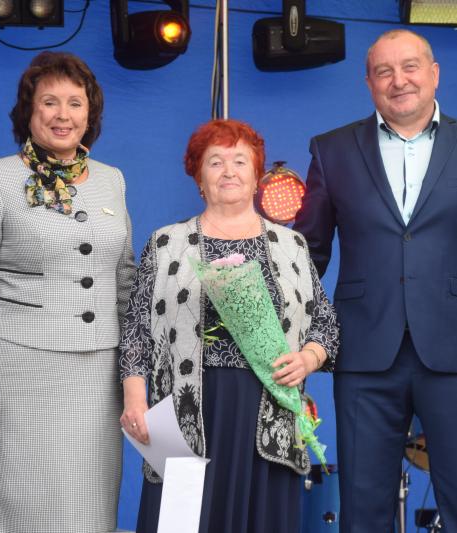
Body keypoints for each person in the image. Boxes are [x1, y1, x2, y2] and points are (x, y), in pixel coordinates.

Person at [293, 29, 457, 533]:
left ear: (434, 73)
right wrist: (289, 336)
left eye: (410, 67)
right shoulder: (331, 150)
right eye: (384, 71)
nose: (398, 80)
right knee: (363, 513)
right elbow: (307, 257)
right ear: (368, 83)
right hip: (363, 355)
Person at [0, 51, 135, 533]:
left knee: (88, 506)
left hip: (99, 374)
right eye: (49, 102)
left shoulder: (112, 180)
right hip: (19, 371)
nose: (62, 114)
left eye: (75, 103)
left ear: (90, 114)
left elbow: (125, 279)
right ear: (28, 111)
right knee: (20, 501)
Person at [119, 119, 339, 533]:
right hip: (187, 410)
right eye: (215, 162)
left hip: (268, 409)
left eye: (240, 161)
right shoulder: (166, 243)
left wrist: (308, 359)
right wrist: (134, 399)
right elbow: (135, 330)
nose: (228, 171)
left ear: (256, 176)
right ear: (199, 178)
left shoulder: (291, 246)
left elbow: (325, 323)